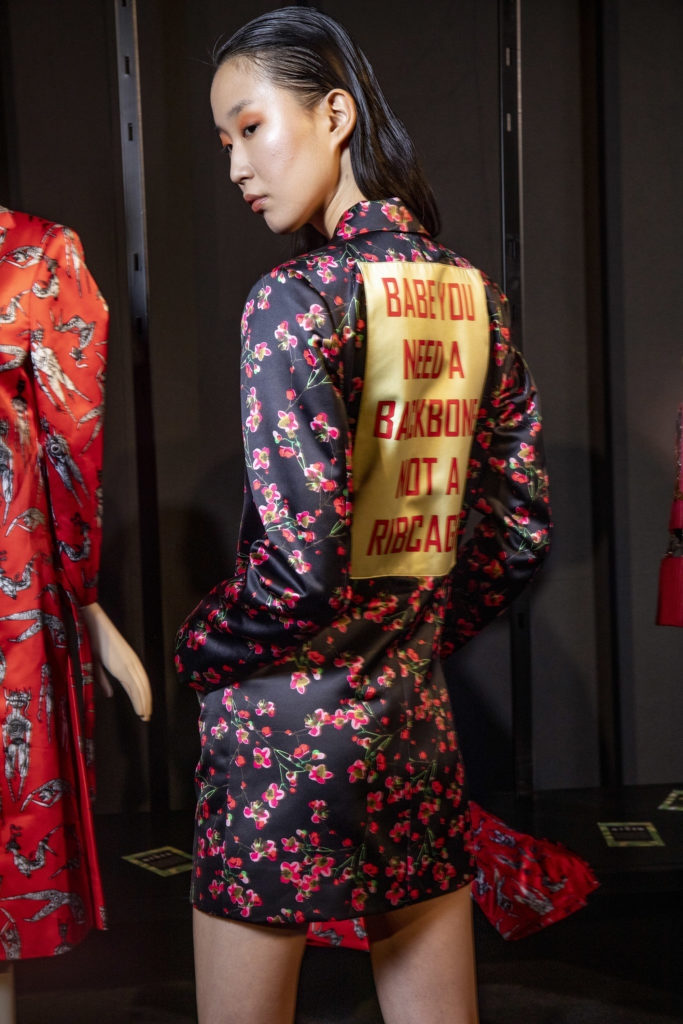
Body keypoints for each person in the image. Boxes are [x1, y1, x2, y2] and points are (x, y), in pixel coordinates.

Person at [175, 9, 551, 1023]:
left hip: (282, 734)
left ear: (335, 115)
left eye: (250, 127)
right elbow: (517, 532)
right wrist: (408, 628)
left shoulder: (294, 299)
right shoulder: (473, 296)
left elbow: (300, 567)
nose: (236, 165)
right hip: (409, 719)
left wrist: (200, 646)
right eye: (222, 141)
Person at [0, 206, 151, 985]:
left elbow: (70, 440)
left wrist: (85, 599)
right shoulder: (31, 254)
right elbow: (68, 440)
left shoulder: (37, 254)